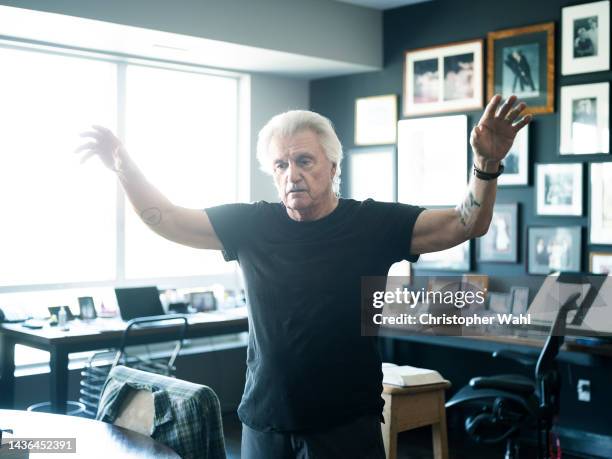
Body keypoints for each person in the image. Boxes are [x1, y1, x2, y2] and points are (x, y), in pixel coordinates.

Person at [76, 94, 530, 458]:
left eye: (304, 161)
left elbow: (466, 223)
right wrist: (125, 170)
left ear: (333, 167)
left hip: (345, 424)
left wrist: (485, 166)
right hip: (263, 420)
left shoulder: (372, 224)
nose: (292, 174)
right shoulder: (250, 224)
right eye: (280, 165)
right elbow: (167, 218)